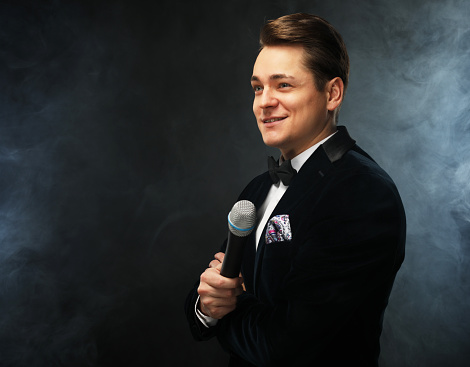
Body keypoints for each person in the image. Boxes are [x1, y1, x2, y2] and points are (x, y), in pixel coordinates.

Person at [185, 13, 406, 367]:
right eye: (258, 87)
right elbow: (209, 291)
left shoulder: (363, 194)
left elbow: (285, 347)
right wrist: (207, 305)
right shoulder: (259, 188)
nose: (263, 102)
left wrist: (231, 305)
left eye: (283, 85)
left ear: (332, 93)